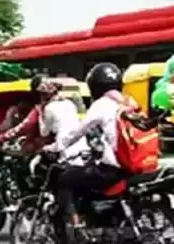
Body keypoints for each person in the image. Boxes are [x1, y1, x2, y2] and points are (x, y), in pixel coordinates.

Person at [53, 63, 131, 211]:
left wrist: (57, 146)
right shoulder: (128, 102)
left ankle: (75, 228)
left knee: (65, 179)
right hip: (135, 166)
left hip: (114, 169)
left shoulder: (102, 104)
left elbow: (78, 131)